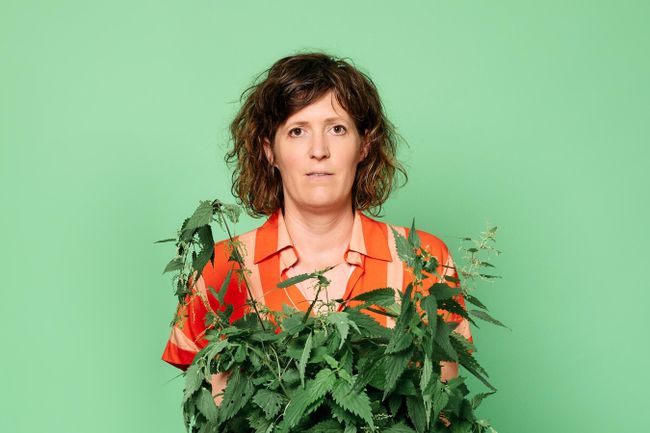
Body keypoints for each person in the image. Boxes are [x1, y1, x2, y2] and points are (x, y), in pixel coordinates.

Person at [161, 51, 473, 407]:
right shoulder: (217, 269)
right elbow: (210, 416)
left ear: (364, 145)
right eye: (297, 131)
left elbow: (442, 413)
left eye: (337, 129)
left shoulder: (423, 260)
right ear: (270, 151)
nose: (319, 150)